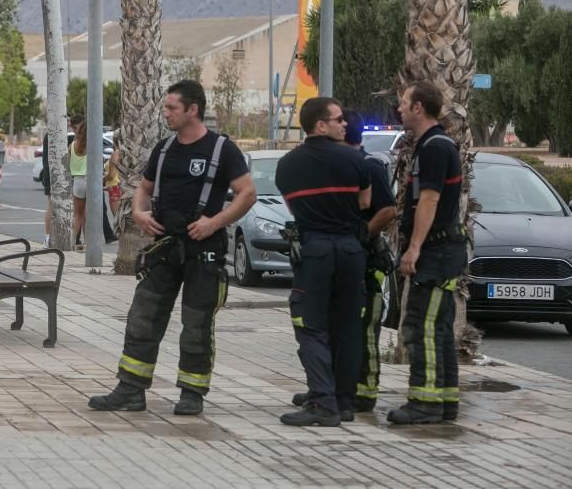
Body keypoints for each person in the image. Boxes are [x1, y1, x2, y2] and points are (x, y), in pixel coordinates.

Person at [88, 80, 256, 416]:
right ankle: (130, 390)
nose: (165, 114)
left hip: (204, 250)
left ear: (192, 110)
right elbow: (144, 188)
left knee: (196, 323)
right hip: (164, 248)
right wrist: (139, 212)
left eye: (171, 108)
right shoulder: (164, 149)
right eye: (165, 108)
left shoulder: (222, 149)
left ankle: (191, 393)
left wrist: (214, 222)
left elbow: (247, 193)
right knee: (142, 318)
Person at [289, 111, 397, 414]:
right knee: (333, 327)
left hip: (362, 260)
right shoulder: (338, 165)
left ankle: (362, 393)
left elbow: (387, 210)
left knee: (362, 331)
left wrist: (362, 234)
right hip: (341, 257)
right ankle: (331, 390)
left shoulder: (368, 166)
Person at [274, 97, 371, 427]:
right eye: (338, 119)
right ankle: (344, 402)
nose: (344, 124)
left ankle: (322, 402)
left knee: (311, 327)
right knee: (348, 328)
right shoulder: (355, 159)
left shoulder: (287, 165)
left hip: (314, 250)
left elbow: (292, 208)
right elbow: (365, 201)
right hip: (350, 250)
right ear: (320, 125)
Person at [388, 81, 465, 425]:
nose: (400, 108)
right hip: (442, 250)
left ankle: (425, 403)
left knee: (423, 327)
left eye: (404, 102)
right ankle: (444, 401)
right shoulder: (434, 144)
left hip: (435, 251)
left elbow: (430, 200)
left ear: (419, 107)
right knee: (439, 328)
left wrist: (414, 248)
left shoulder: (434, 147)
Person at [68, 115, 87, 249]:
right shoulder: (92, 145)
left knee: (78, 214)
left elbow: (69, 165)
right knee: (89, 214)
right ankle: (88, 242)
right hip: (90, 181)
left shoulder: (72, 146)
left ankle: (72, 240)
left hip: (78, 181)